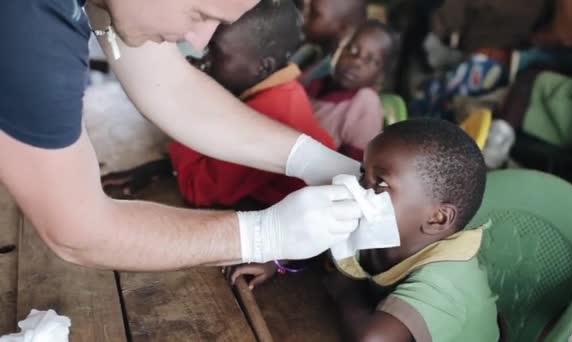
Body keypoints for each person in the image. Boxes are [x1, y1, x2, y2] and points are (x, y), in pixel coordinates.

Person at [0, 0, 362, 271]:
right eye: (200, 13)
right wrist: (263, 235)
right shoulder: (27, 29)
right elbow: (78, 231)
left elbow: (171, 88)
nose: (199, 39)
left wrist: (310, 158)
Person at [231, 119, 499, 342]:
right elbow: (332, 240)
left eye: (379, 183)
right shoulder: (386, 227)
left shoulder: (446, 284)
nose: (358, 188)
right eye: (362, 173)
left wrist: (345, 288)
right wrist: (280, 258)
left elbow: (371, 339)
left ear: (437, 218)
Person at [102, 0, 336, 209]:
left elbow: (198, 191)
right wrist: (157, 170)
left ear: (262, 67)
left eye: (214, 51)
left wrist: (189, 101)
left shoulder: (274, 112)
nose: (200, 56)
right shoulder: (279, 91)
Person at [307, 21, 394, 161]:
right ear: (338, 49)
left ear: (381, 75)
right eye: (352, 49)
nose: (357, 62)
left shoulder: (365, 102)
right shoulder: (316, 82)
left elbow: (355, 166)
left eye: (371, 60)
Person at [296, 0, 368, 85]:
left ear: (344, 29)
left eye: (314, 14)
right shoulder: (307, 53)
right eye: (304, 8)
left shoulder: (330, 77)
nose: (302, 17)